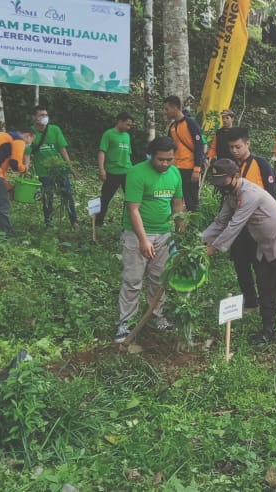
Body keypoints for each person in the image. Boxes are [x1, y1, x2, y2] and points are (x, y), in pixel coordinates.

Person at [203, 159, 276, 352]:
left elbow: (234, 225)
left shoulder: (250, 194)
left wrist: (212, 249)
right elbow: (220, 221)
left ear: (236, 176)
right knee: (266, 286)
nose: (220, 185)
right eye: (217, 181)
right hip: (264, 245)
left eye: (223, 181)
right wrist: (201, 241)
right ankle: (269, 329)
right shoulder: (231, 194)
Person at [114, 136, 185, 343]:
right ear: (151, 156)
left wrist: (180, 232)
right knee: (133, 280)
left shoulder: (174, 173)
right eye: (161, 159)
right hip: (137, 235)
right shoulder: (136, 173)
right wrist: (143, 239)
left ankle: (156, 316)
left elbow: (178, 204)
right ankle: (124, 323)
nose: (165, 164)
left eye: (169, 159)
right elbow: (133, 209)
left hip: (164, 234)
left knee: (158, 279)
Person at [223, 128, 276, 311]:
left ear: (247, 144)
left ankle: (265, 303)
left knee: (261, 265)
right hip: (237, 225)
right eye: (231, 147)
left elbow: (272, 196)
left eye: (238, 146)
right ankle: (250, 301)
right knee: (241, 264)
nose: (234, 151)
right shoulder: (228, 167)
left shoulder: (261, 164)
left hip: (258, 224)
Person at [29, 106, 79, 228]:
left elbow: (62, 149)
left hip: (59, 168)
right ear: (34, 117)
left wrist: (70, 167)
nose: (44, 117)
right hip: (43, 171)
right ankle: (49, 223)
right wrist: (26, 166)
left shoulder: (55, 129)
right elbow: (27, 152)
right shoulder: (30, 132)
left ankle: (74, 221)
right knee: (47, 197)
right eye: (41, 115)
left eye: (46, 115)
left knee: (67, 194)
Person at [163, 96, 206, 211]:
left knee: (192, 201)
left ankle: (194, 227)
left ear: (175, 108)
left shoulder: (191, 123)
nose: (165, 112)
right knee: (176, 199)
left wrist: (197, 169)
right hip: (176, 169)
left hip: (190, 168)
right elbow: (169, 148)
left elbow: (199, 146)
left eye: (167, 109)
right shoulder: (172, 126)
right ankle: (180, 227)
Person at [95, 112, 134, 227]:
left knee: (130, 198)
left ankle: (127, 222)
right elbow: (102, 151)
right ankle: (98, 222)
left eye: (130, 125)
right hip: (112, 171)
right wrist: (101, 169)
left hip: (127, 171)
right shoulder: (109, 134)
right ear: (120, 121)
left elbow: (128, 154)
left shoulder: (127, 136)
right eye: (127, 124)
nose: (129, 127)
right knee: (106, 198)